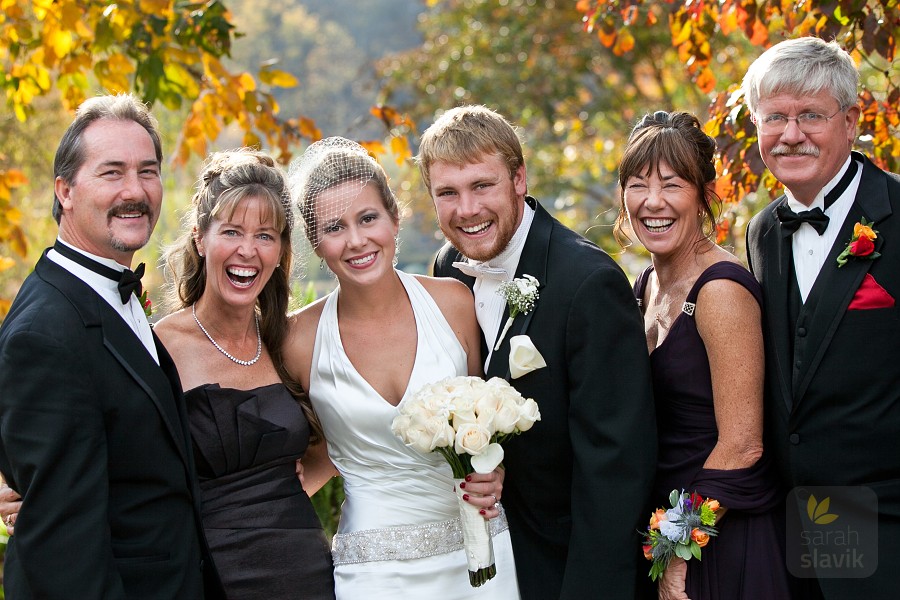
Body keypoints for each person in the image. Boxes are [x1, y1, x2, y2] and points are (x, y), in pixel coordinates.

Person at [421, 105, 657, 599]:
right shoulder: (446, 270)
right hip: (475, 566)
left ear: (519, 178)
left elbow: (615, 468)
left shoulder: (588, 283)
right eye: (448, 192)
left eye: (482, 185)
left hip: (561, 565)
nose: (467, 210)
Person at [0, 94, 223, 599]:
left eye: (147, 172)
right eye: (112, 173)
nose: (134, 191)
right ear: (66, 190)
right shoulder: (46, 333)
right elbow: (64, 551)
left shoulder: (108, 293)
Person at [283, 137, 520, 599]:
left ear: (394, 218)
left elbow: (484, 424)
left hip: (478, 552)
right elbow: (314, 457)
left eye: (368, 218)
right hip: (372, 570)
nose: (356, 240)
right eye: (335, 227)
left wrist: (497, 471)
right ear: (315, 240)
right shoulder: (298, 340)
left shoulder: (454, 303)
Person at [742, 37, 900, 598]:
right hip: (790, 526)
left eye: (810, 115)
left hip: (888, 522)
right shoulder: (762, 232)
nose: (790, 135)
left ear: (851, 121)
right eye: (775, 118)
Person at [615, 110, 791, 600]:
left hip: (719, 538)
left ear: (705, 196)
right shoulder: (644, 285)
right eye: (637, 184)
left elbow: (743, 447)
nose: (653, 202)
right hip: (661, 534)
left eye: (672, 185)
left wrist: (677, 546)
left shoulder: (721, 291)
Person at [153, 149, 335, 599]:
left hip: (307, 576)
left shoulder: (286, 341)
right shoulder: (158, 347)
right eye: (231, 231)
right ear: (200, 238)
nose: (247, 251)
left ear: (280, 251)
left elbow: (341, 438)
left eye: (265, 236)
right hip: (209, 580)